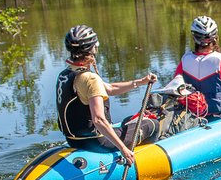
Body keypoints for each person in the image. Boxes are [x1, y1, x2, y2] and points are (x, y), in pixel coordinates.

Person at [56, 24, 158, 167]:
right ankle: (145, 160)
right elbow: (98, 119)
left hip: (73, 140)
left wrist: (141, 82)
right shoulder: (89, 78)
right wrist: (123, 149)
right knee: (151, 124)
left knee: (129, 120)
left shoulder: (66, 74)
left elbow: (110, 88)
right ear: (93, 48)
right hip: (96, 142)